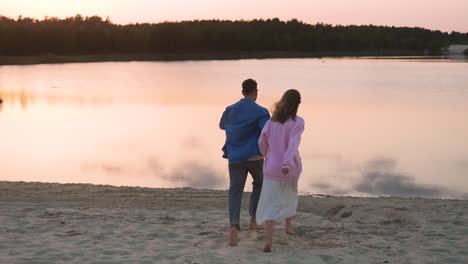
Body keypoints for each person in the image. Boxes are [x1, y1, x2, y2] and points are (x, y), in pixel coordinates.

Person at [219, 79, 270, 247]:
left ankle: (234, 227)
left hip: (235, 156)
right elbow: (266, 131)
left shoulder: (230, 109)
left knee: (235, 191)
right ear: (256, 91)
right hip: (255, 157)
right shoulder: (261, 111)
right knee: (260, 183)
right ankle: (253, 220)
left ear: (242, 92)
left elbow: (221, 126)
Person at [256, 89, 304, 252]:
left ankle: (268, 240)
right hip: (289, 167)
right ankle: (288, 226)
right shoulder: (298, 121)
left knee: (271, 202)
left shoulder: (271, 122)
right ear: (297, 104)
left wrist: (266, 154)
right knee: (290, 193)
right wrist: (286, 164)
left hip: (271, 167)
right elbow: (293, 143)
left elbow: (262, 141)